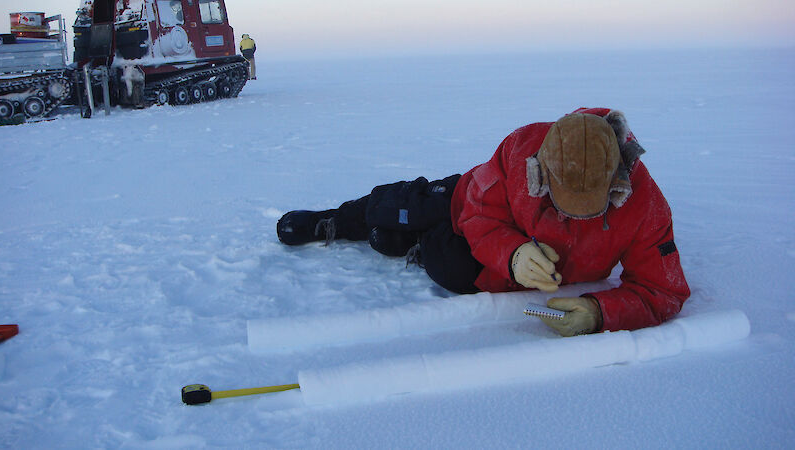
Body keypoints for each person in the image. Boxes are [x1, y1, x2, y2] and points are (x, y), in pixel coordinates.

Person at [277, 108, 690, 337]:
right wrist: (514, 253)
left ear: (615, 181)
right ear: (543, 170)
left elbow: (663, 289)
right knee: (394, 210)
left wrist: (600, 314)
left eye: (587, 206)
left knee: (444, 265)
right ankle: (334, 219)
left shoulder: (645, 205)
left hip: (485, 266)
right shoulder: (523, 146)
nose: (570, 216)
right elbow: (479, 211)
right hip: (464, 202)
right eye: (563, 202)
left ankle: (409, 245)